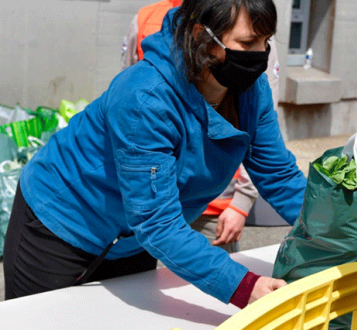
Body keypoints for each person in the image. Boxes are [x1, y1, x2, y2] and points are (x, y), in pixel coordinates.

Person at [3, 0, 306, 309]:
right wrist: (245, 288)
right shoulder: (145, 97)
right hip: (62, 223)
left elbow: (279, 175)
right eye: (247, 42)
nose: (260, 55)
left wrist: (335, 231)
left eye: (265, 41)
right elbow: (158, 222)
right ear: (203, 35)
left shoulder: (252, 92)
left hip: (133, 238)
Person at [120, 0, 281, 253]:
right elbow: (132, 100)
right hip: (151, 194)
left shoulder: (247, 17)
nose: (261, 49)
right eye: (249, 43)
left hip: (217, 200)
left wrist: (241, 202)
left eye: (264, 42)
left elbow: (262, 136)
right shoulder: (145, 18)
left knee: (213, 276)